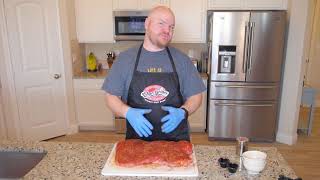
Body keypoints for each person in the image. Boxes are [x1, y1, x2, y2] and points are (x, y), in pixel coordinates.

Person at [102, 6, 206, 141]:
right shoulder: (125, 59)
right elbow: (110, 97)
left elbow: (196, 96)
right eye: (161, 23)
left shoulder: (182, 60)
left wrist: (183, 112)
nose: (167, 31)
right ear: (147, 24)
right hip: (137, 144)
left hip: (176, 144)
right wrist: (127, 112)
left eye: (171, 27)